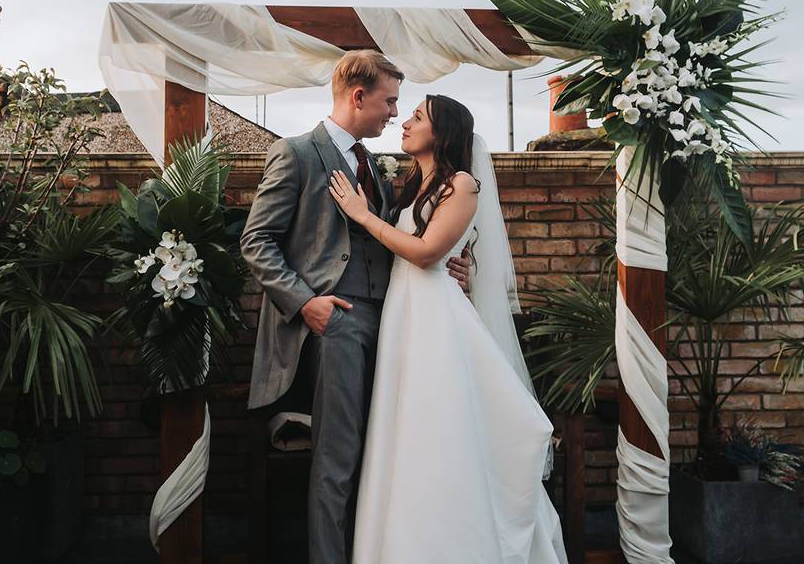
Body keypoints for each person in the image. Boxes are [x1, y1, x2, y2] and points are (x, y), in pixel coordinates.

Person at [240, 51, 471, 564]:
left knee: (386, 451)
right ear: (358, 96)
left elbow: (410, 240)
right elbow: (256, 241)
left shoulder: (376, 166)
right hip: (336, 322)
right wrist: (306, 305)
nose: (395, 113)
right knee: (338, 457)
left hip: (394, 322)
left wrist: (455, 267)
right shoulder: (296, 153)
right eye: (390, 101)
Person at [329, 94, 568, 563]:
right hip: (404, 313)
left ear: (442, 133)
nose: (405, 121)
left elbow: (425, 252)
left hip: (435, 319)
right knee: (403, 436)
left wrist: (362, 215)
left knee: (436, 430)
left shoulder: (462, 183)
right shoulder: (411, 183)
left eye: (417, 117)